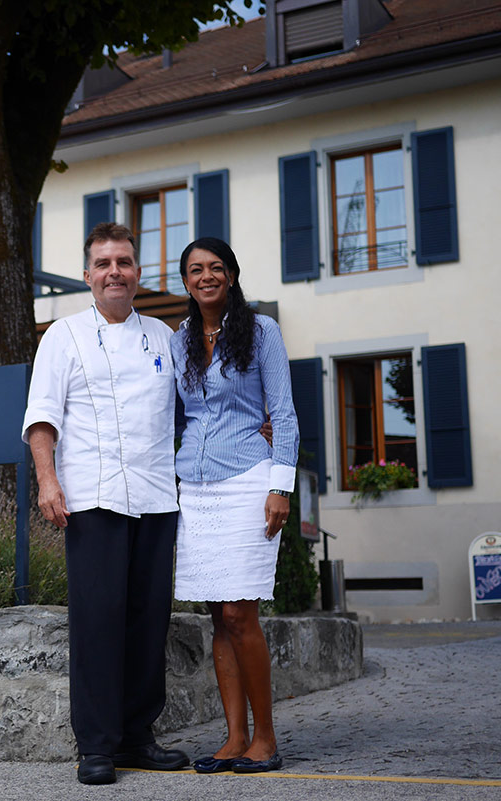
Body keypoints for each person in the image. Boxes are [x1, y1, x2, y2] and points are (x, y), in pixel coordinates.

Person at [22, 222, 187, 785]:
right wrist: (48, 481)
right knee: (97, 621)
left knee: (148, 621)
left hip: (156, 495)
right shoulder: (61, 336)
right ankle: (95, 745)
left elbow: (202, 404)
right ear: (88, 275)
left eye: (124, 261)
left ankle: (138, 737)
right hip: (90, 498)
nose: (114, 271)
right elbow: (42, 416)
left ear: (138, 272)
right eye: (104, 263)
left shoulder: (166, 337)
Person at [169, 237, 300, 775]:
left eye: (216, 267)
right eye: (196, 269)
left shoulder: (262, 331)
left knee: (241, 613)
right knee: (217, 618)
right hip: (193, 489)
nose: (206, 277)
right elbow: (178, 414)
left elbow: (285, 414)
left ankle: (266, 739)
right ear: (185, 281)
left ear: (232, 274)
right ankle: (233, 737)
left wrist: (281, 487)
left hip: (248, 479)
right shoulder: (179, 339)